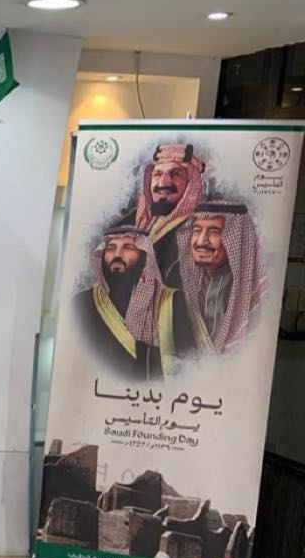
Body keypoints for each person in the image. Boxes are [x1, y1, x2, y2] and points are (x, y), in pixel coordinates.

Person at [70, 225, 195, 380]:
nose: (117, 255)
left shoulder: (173, 302)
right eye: (111, 248)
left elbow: (191, 366)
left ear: (144, 256)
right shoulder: (82, 303)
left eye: (127, 247)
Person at [176, 200, 266, 355]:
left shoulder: (255, 293)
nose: (201, 241)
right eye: (197, 230)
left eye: (214, 232)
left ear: (236, 237)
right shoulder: (178, 283)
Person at [117, 143, 206, 287]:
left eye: (175, 174)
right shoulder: (132, 221)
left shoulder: (197, 232)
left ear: (190, 184)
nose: (163, 182)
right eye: (157, 174)